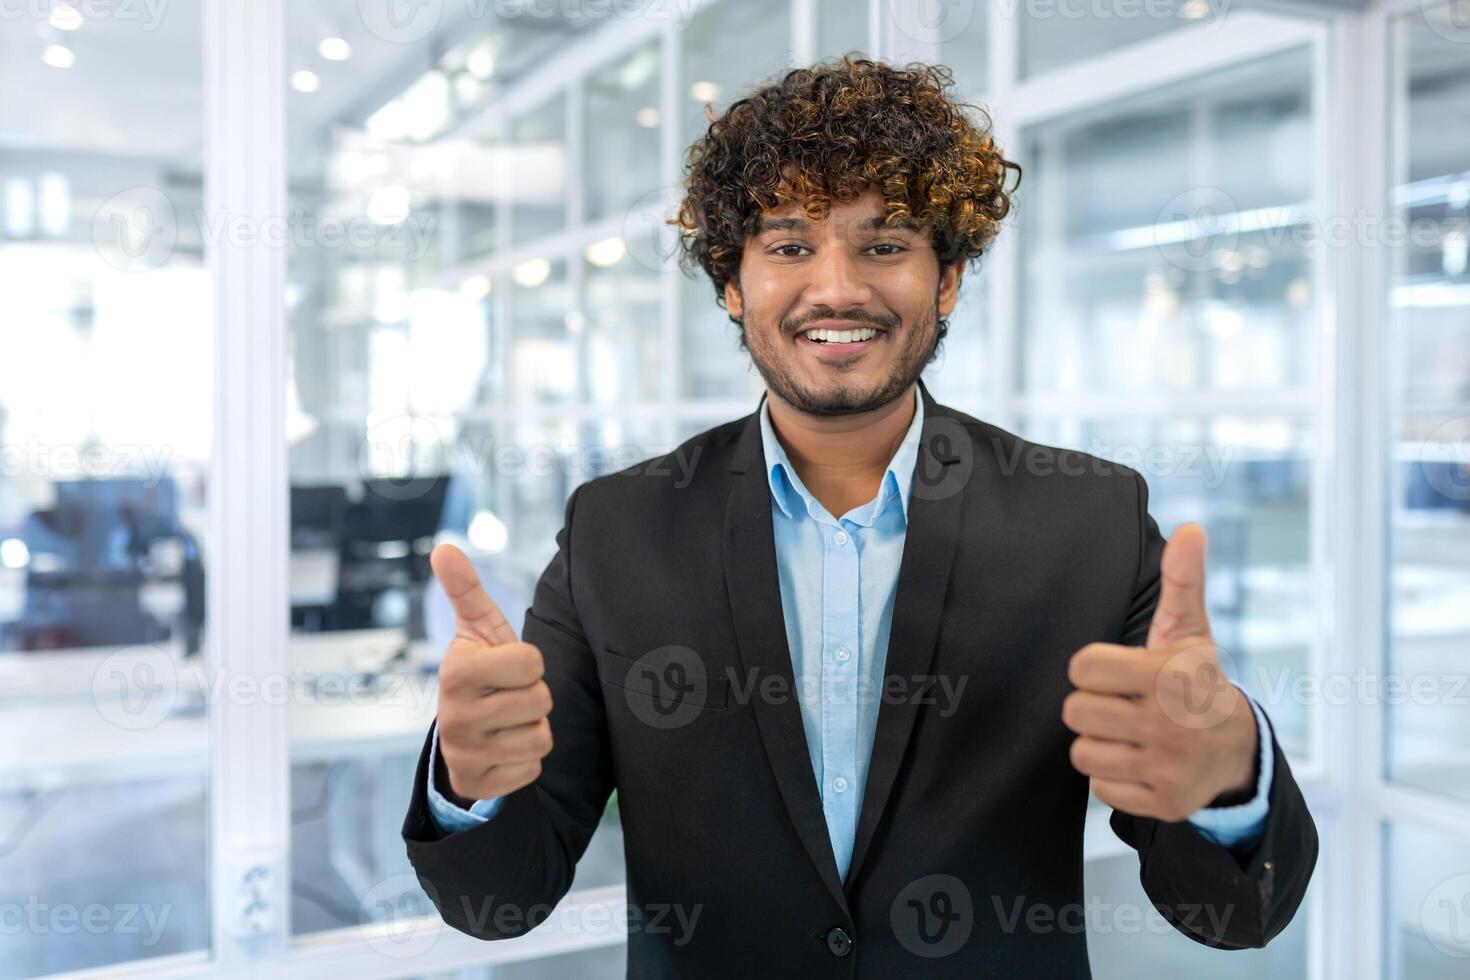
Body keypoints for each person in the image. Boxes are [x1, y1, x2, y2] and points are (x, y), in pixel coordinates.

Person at [401, 56, 1316, 978]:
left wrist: (1230, 776)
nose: (835, 287)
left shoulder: (1089, 519)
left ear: (947, 279)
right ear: (731, 282)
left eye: (883, 245)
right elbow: (504, 900)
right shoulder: (618, 528)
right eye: (789, 245)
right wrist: (468, 787)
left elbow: (1230, 915)